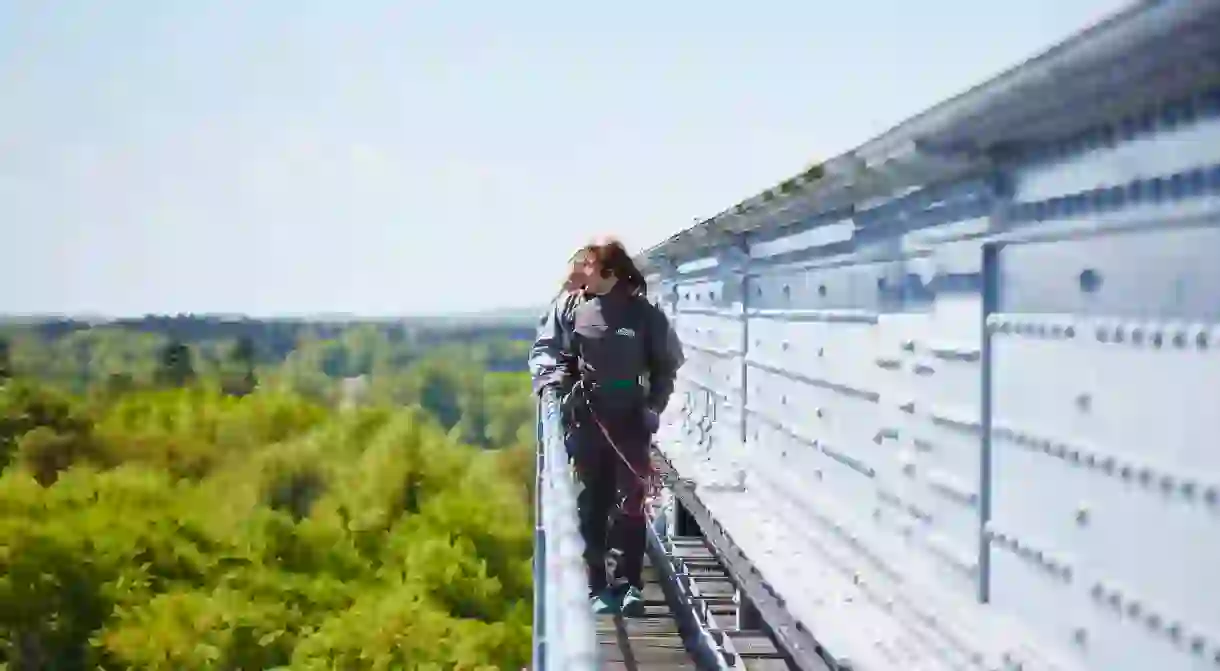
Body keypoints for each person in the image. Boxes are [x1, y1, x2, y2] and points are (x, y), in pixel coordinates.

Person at [529, 238, 685, 616]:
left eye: (589, 263)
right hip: (587, 422)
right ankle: (597, 585)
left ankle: (630, 585)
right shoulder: (571, 309)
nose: (582, 269)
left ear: (610, 273)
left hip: (632, 423)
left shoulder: (646, 316)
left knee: (630, 503)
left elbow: (667, 366)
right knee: (592, 503)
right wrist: (554, 385)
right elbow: (549, 353)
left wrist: (654, 407)